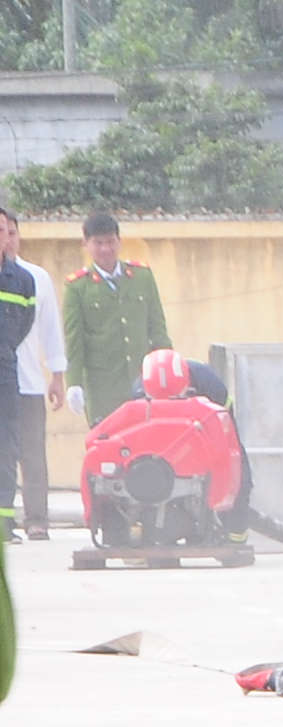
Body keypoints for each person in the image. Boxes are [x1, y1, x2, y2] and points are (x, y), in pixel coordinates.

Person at [60, 212, 171, 432]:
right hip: (103, 387)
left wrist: (169, 369)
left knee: (148, 446)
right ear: (85, 244)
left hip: (144, 383)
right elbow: (74, 340)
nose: (105, 249)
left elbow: (157, 329)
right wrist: (74, 383)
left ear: (119, 241)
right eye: (98, 243)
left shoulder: (142, 277)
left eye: (110, 242)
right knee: (109, 451)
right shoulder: (77, 287)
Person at [0, 207, 57, 540]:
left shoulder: (24, 280)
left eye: (5, 230)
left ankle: (6, 521)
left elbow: (25, 325)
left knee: (9, 448)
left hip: (9, 373)